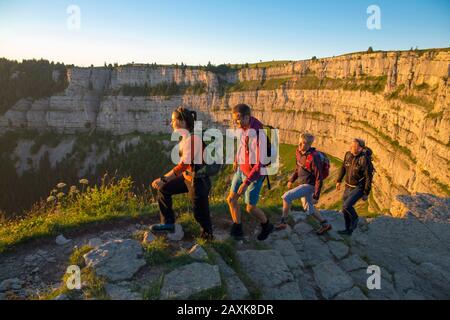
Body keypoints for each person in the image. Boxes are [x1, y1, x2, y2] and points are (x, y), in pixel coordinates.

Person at [150, 107, 214, 240]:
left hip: (198, 182)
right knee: (164, 189)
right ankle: (168, 223)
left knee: (200, 215)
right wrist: (165, 181)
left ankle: (208, 239)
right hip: (187, 178)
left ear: (182, 122)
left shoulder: (192, 139)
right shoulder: (186, 138)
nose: (171, 123)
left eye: (173, 120)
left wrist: (164, 178)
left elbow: (184, 164)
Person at [227, 103, 274, 241]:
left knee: (250, 208)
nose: (236, 123)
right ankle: (237, 227)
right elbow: (242, 145)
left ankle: (266, 225)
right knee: (231, 199)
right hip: (241, 169)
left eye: (238, 119)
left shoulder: (259, 134)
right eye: (235, 119)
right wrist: (237, 158)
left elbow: (261, 163)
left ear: (247, 117)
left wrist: (247, 182)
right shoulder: (244, 128)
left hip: (254, 176)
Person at [278, 133, 332, 235]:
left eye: (304, 143)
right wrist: (291, 180)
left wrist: (316, 196)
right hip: (302, 183)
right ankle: (325, 225)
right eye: (300, 142)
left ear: (309, 145)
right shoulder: (298, 152)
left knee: (286, 197)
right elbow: (298, 168)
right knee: (308, 208)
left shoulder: (313, 157)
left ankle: (283, 222)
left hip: (309, 185)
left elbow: (319, 177)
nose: (301, 145)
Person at [336, 138, 374, 235]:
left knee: (346, 205)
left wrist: (366, 192)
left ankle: (355, 218)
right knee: (344, 210)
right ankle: (348, 230)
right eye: (351, 146)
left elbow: (368, 177)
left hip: (358, 187)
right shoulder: (348, 155)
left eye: (354, 147)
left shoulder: (364, 159)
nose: (351, 148)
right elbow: (343, 168)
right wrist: (338, 180)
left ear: (360, 148)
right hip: (348, 186)